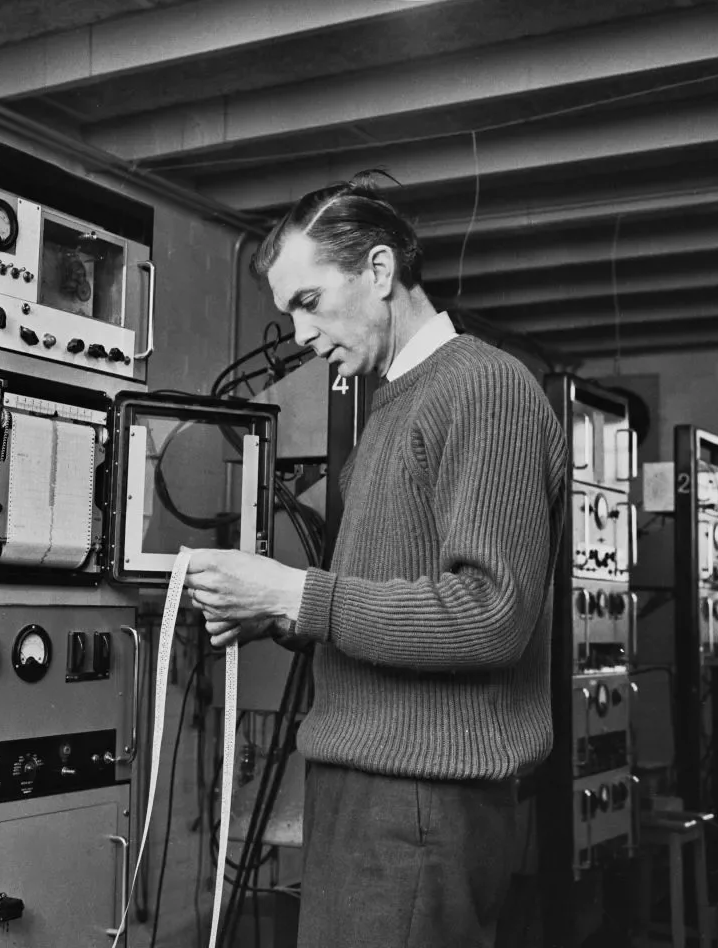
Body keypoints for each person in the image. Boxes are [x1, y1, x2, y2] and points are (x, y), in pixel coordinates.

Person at [184, 173, 567, 948]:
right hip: (372, 787)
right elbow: (389, 593)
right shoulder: (396, 405)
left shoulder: (482, 388)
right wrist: (273, 613)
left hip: (422, 798)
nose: (296, 333)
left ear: (381, 272)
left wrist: (299, 596)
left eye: (308, 301)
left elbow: (489, 616)